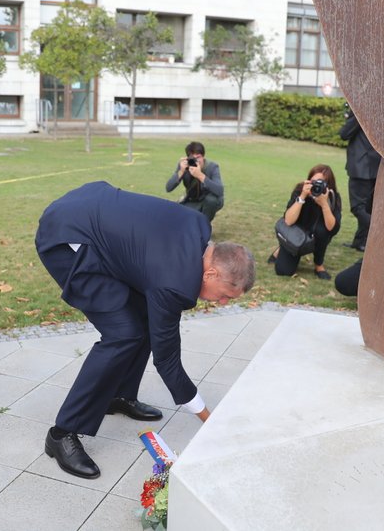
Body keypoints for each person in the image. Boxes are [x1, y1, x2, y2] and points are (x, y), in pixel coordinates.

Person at [35, 181, 255, 479]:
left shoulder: (198, 228)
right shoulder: (174, 279)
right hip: (67, 237)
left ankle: (119, 396)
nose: (223, 302)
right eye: (226, 294)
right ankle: (62, 434)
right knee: (122, 333)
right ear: (212, 271)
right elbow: (167, 360)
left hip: (89, 212)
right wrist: (207, 417)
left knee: (143, 323)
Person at [268, 164, 342, 279]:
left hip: (317, 235)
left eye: (320, 182)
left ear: (328, 185)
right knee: (283, 271)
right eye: (313, 181)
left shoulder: (333, 196)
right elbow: (288, 221)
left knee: (323, 231)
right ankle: (282, 247)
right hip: (295, 235)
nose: (315, 185)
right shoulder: (300, 190)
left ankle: (318, 264)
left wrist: (324, 204)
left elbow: (332, 228)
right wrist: (302, 197)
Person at [338, 104, 380, 251]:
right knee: (367, 208)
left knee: (358, 207)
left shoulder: (361, 108)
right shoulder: (379, 109)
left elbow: (344, 133)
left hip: (361, 166)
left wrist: (350, 115)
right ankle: (360, 242)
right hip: (374, 167)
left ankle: (378, 233)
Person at [164, 141, 224, 222]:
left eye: (198, 157)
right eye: (193, 158)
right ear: (188, 158)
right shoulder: (184, 166)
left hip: (210, 201)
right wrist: (181, 171)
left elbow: (219, 191)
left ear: (203, 156)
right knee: (177, 217)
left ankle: (205, 226)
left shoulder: (212, 167)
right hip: (193, 200)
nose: (196, 161)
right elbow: (168, 188)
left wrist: (200, 175)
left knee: (211, 200)